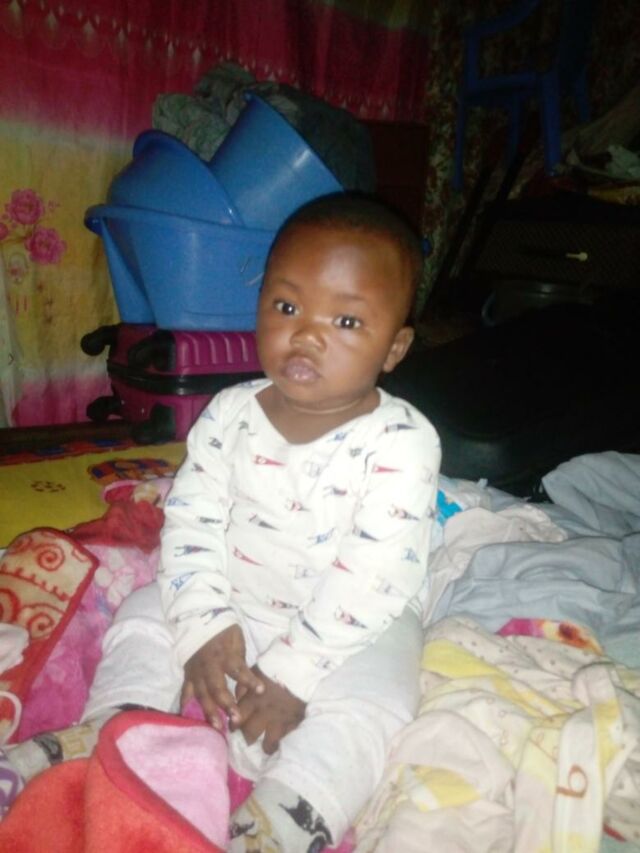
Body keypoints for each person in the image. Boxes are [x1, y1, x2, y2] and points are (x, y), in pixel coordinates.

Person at [3, 193, 441, 851]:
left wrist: (294, 672)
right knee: (147, 609)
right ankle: (112, 723)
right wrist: (203, 622)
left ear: (394, 347)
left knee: (382, 693)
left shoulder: (403, 441)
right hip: (239, 594)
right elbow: (191, 521)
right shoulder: (230, 413)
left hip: (350, 625)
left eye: (347, 321)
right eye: (286, 307)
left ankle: (290, 810)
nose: (308, 334)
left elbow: (372, 578)